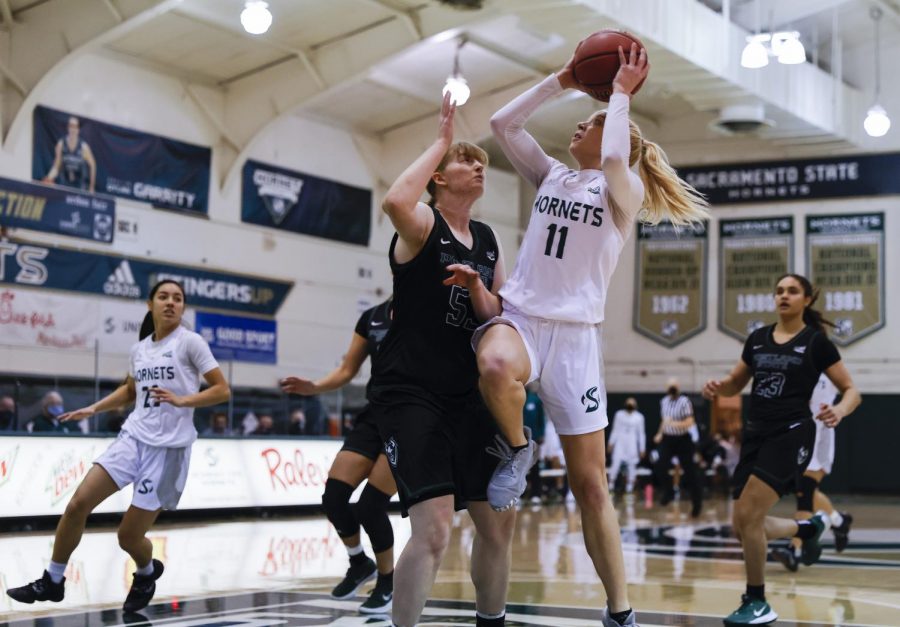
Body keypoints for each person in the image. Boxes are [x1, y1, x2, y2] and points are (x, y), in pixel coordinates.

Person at [475, 39, 707, 627]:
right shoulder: (550, 174)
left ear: (619, 142)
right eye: (583, 118)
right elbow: (503, 123)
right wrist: (564, 78)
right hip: (524, 320)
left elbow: (609, 161)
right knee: (496, 366)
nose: (579, 123)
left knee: (592, 487)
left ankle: (619, 609)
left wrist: (621, 96)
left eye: (593, 122)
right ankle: (520, 453)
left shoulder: (620, 192)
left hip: (578, 342)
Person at [369, 91, 514, 627]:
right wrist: (440, 142)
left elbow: (498, 313)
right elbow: (393, 203)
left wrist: (478, 286)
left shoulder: (489, 239)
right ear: (438, 177)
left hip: (470, 395)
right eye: (465, 161)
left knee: (498, 526)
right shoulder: (423, 226)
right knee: (433, 530)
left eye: (482, 163)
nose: (477, 167)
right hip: (412, 393)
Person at [6, 279, 229, 613]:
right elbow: (130, 390)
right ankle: (53, 580)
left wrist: (185, 400)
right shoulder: (140, 349)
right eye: (164, 297)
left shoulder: (191, 343)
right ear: (150, 304)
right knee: (78, 503)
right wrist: (94, 408)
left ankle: (147, 571)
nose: (171, 303)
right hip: (133, 438)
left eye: (178, 299)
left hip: (168, 452)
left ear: (183, 307)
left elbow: (222, 390)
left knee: (127, 537)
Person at [702, 273, 861, 626]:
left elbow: (851, 389)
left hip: (791, 433)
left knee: (749, 514)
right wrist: (719, 387)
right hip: (755, 434)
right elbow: (735, 384)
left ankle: (756, 600)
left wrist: (840, 409)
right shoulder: (757, 339)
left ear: (806, 299)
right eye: (778, 291)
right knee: (741, 525)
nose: (783, 296)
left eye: (792, 291)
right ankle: (806, 530)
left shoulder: (816, 343)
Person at [281, 297, 396, 614]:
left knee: (371, 507)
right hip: (374, 416)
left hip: (408, 420)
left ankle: (388, 581)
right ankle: (360, 562)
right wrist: (314, 387)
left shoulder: (429, 311)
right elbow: (348, 369)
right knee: (333, 497)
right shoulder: (372, 317)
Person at [770, 372, 854, 571]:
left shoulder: (831, 367)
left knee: (806, 495)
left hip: (821, 436)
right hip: (800, 435)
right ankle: (839, 520)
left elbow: (851, 392)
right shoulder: (798, 364)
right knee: (808, 492)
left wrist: (838, 409)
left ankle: (794, 549)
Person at [652, 378, 703, 517]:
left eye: (674, 386)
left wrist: (674, 424)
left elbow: (690, 421)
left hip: (683, 440)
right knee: (660, 465)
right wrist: (659, 433)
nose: (672, 389)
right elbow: (664, 421)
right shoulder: (664, 401)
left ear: (678, 388)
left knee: (690, 472)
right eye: (670, 386)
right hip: (668, 439)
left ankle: (697, 504)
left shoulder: (684, 401)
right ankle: (669, 491)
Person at [42, 116, 97, 193]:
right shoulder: (61, 144)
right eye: (71, 126)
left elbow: (93, 165)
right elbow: (56, 166)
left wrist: (91, 187)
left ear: (78, 129)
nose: (73, 129)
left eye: (75, 127)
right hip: (65, 184)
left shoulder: (83, 147)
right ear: (68, 128)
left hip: (80, 187)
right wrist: (49, 178)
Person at [608, 398, 645, 494]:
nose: (630, 405)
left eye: (632, 404)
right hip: (620, 443)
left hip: (632, 444)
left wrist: (642, 448)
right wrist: (611, 443)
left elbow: (641, 434)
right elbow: (615, 430)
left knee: (632, 466)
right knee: (615, 464)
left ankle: (630, 488)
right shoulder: (619, 415)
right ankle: (611, 486)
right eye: (628, 403)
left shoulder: (639, 417)